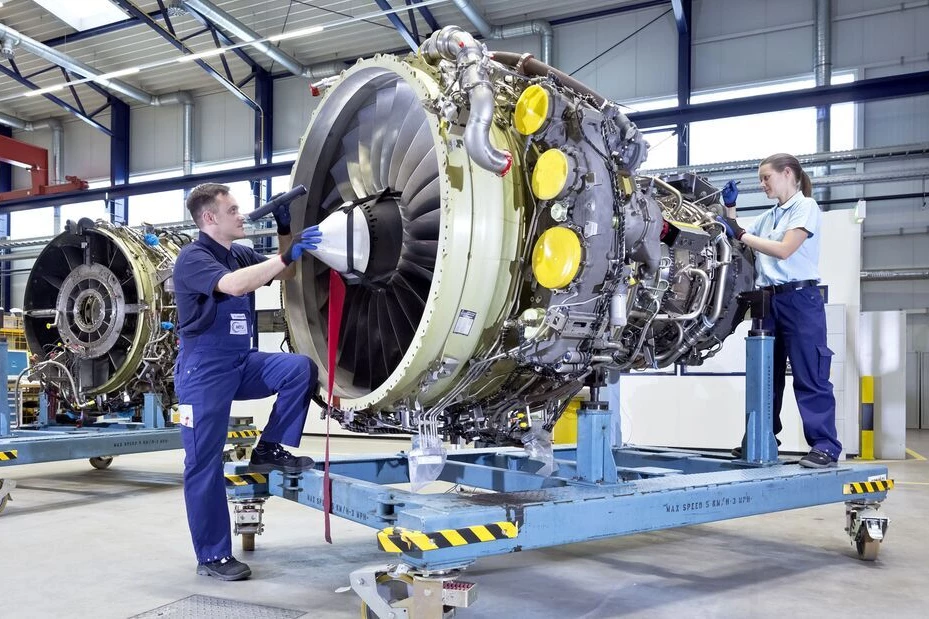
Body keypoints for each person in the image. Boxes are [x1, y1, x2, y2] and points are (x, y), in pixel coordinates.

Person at [172, 183, 322, 581]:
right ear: (209, 218)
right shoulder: (193, 257)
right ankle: (213, 556)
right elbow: (235, 285)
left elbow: (286, 271)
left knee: (299, 369)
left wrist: (285, 230)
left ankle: (269, 448)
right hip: (203, 370)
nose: (241, 216)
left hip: (241, 362)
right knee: (203, 463)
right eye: (233, 210)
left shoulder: (238, 252)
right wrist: (285, 253)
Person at [717, 153, 842, 469]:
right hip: (767, 302)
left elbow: (784, 250)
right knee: (765, 376)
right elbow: (741, 241)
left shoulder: (805, 207)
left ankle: (825, 446)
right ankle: (761, 438)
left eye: (766, 178)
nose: (762, 184)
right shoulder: (769, 217)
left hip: (800, 300)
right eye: (760, 179)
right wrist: (730, 208)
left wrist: (740, 232)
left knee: (810, 374)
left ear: (787, 173)